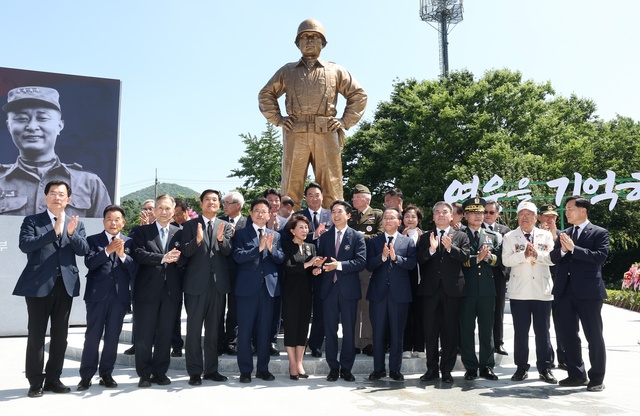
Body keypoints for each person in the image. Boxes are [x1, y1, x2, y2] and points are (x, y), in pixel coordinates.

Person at [259, 18, 367, 210]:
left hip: (326, 131)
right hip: (296, 131)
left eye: (314, 37)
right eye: (304, 37)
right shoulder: (287, 71)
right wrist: (278, 118)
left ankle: (335, 228)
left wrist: (344, 121)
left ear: (323, 43)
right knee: (291, 184)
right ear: (297, 43)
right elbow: (266, 94)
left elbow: (358, 95)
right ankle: (289, 227)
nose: (309, 40)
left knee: (331, 184)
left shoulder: (335, 70)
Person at [13, 180, 89, 398]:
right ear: (45, 197)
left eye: (62, 194)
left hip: (64, 285)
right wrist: (53, 232)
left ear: (69, 199)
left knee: (60, 335)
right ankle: (35, 382)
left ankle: (54, 379)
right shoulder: (32, 221)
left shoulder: (76, 223)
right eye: (53, 193)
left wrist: (72, 234)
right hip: (38, 285)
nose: (57, 197)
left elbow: (83, 251)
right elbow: (25, 245)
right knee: (36, 335)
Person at [1, 86, 111, 217]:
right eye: (21, 119)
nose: (32, 127)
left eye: (42, 118)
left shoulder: (89, 183)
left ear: (60, 126)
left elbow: (104, 234)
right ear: (9, 126)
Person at [550, 195, 609, 392]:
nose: (566, 212)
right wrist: (565, 251)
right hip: (564, 291)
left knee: (594, 336)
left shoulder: (599, 233)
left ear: (583, 210)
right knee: (568, 335)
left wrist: (574, 249)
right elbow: (553, 257)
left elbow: (599, 257)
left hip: (589, 293)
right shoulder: (564, 233)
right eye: (566, 209)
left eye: (569, 209)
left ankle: (596, 378)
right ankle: (576, 374)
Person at [77, 204, 136, 391]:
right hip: (97, 296)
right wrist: (108, 250)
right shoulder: (93, 240)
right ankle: (86, 376)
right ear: (104, 221)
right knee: (92, 336)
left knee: (112, 337)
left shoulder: (130, 242)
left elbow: (135, 269)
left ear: (123, 222)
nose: (113, 222)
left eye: (117, 219)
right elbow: (90, 263)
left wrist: (123, 256)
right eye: (109, 219)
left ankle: (106, 374)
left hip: (119, 297)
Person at [180, 190, 233, 386]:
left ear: (220, 204)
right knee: (194, 330)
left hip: (218, 286)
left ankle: (211, 370)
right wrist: (197, 241)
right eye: (208, 200)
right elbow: (184, 252)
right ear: (201, 203)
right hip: (195, 286)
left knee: (214, 331)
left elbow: (229, 252)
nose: (211, 202)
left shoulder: (225, 226)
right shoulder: (190, 225)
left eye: (215, 200)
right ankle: (194, 371)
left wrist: (221, 240)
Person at [130, 194, 182, 387]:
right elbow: (138, 254)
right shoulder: (142, 232)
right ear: (154, 210)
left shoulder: (179, 232)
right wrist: (163, 258)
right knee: (144, 334)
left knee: (165, 334)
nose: (163, 212)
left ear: (173, 210)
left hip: (171, 292)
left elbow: (186, 257)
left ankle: (160, 372)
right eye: (160, 207)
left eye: (168, 208)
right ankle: (144, 374)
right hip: (147, 292)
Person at [502, 201, 557, 384]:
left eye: (529, 214)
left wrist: (536, 256)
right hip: (520, 292)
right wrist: (523, 256)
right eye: (521, 214)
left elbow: (552, 259)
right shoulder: (510, 236)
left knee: (543, 332)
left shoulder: (546, 235)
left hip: (542, 291)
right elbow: (506, 260)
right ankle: (521, 367)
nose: (525, 218)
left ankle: (545, 368)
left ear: (536, 217)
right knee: (521, 332)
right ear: (517, 217)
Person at [417, 201, 470, 384]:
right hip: (430, 291)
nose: (440, 215)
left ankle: (446, 370)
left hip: (452, 291)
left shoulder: (461, 236)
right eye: (437, 212)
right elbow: (419, 260)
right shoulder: (425, 237)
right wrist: (431, 250)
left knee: (450, 332)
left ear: (451, 216)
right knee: (430, 332)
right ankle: (431, 369)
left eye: (445, 212)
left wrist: (450, 248)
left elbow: (465, 257)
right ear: (433, 217)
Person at [233, 198, 285, 383]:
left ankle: (263, 369)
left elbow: (281, 259)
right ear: (251, 214)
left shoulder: (276, 235)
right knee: (245, 331)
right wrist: (258, 248)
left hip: (268, 290)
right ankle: (245, 371)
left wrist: (271, 249)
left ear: (270, 214)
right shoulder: (241, 234)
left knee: (265, 331)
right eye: (257, 211)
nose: (260, 214)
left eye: (264, 211)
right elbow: (238, 257)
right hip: (247, 290)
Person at [315, 200, 366, 382]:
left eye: (339, 212)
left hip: (348, 291)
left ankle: (346, 368)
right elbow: (320, 259)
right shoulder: (325, 237)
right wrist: (318, 268)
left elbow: (361, 262)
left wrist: (340, 265)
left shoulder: (356, 236)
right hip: (329, 289)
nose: (335, 215)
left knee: (349, 331)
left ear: (348, 215)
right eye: (333, 212)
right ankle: (333, 367)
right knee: (330, 330)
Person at [366, 207, 416, 381]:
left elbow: (411, 264)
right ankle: (378, 369)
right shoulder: (374, 241)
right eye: (385, 217)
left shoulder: (407, 242)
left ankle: (395, 369)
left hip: (399, 295)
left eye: (392, 217)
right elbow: (368, 265)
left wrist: (396, 258)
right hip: (378, 294)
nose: (388, 220)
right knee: (378, 334)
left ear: (399, 222)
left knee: (397, 334)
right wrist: (381, 257)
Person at [459, 198, 500, 381]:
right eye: (473, 213)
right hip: (465, 290)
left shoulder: (492, 235)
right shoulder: (458, 235)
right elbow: (457, 259)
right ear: (465, 215)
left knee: (487, 330)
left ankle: (487, 366)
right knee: (466, 329)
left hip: (486, 290)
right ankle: (470, 366)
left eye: (480, 212)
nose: (478, 216)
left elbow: (498, 260)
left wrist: (488, 257)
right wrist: (477, 258)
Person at [281, 215, 325, 379]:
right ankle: (292, 363)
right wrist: (307, 264)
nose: (305, 230)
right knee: (291, 327)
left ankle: (299, 362)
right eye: (301, 227)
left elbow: (312, 271)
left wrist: (316, 270)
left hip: (306, 292)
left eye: (306, 227)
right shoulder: (286, 246)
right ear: (292, 230)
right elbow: (288, 267)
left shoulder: (311, 247)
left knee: (303, 327)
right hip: (290, 292)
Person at [294, 182, 332, 358]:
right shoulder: (298, 215)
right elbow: (291, 237)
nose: (314, 198)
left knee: (321, 309)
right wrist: (314, 234)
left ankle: (315, 344)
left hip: (323, 269)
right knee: (301, 308)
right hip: (302, 269)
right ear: (305, 198)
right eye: (310, 195)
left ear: (322, 196)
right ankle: (298, 343)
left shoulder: (332, 215)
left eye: (317, 195)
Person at [348, 184, 383, 356]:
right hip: (351, 266)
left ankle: (368, 342)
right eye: (353, 197)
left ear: (367, 199)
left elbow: (381, 236)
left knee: (367, 305)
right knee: (353, 306)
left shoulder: (377, 215)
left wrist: (361, 237)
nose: (353, 200)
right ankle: (354, 342)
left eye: (357, 197)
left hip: (368, 266)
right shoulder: (351, 216)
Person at [122, 198, 157, 357]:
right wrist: (143, 230)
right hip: (140, 276)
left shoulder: (164, 229)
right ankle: (137, 344)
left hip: (158, 276)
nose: (147, 211)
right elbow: (129, 248)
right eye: (145, 208)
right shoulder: (136, 229)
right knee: (139, 313)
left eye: (150, 208)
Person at [537, 203, 566, 370]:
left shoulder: (563, 235)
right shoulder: (532, 235)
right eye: (546, 216)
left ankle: (564, 356)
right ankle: (548, 359)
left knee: (562, 322)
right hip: (539, 282)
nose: (550, 219)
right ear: (539, 217)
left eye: (553, 216)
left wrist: (554, 235)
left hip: (559, 282)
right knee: (543, 325)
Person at [219, 191, 247, 356]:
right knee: (218, 310)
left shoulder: (248, 222)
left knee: (235, 311)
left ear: (238, 205)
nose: (224, 206)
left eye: (227, 203)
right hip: (220, 272)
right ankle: (217, 342)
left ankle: (232, 342)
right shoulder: (219, 222)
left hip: (240, 274)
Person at [483, 199, 511, 355]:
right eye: (485, 212)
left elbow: (509, 253)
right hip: (479, 274)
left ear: (497, 214)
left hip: (498, 275)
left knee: (498, 310)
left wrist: (505, 274)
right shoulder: (475, 227)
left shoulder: (505, 230)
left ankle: (498, 342)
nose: (488, 215)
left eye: (491, 212)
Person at [401, 204, 425, 359]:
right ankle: (406, 347)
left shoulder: (426, 235)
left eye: (413, 216)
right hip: (403, 279)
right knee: (405, 314)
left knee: (420, 313)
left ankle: (420, 347)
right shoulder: (397, 235)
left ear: (418, 219)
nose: (410, 219)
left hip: (421, 279)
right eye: (407, 216)